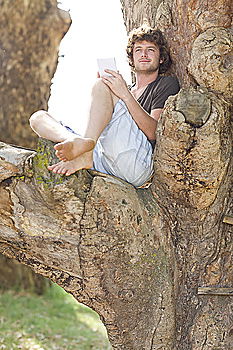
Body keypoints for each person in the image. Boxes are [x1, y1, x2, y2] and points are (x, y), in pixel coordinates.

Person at [29, 25, 180, 187]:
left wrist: (120, 93)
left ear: (161, 58)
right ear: (132, 58)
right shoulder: (123, 90)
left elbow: (153, 133)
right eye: (138, 50)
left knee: (102, 84)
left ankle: (85, 151)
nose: (143, 54)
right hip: (104, 160)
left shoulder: (165, 84)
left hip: (135, 164)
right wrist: (112, 92)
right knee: (38, 118)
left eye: (150, 50)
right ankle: (78, 143)